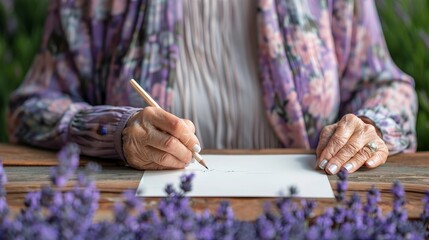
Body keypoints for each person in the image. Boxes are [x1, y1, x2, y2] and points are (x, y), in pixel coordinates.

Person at [7, 0, 417, 174]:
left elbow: (383, 82)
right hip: (141, 217)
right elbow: (30, 107)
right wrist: (115, 132)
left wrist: (369, 128)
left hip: (306, 213)